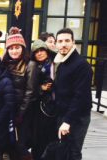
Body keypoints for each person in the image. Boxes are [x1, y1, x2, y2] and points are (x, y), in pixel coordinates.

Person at [54, 28, 92, 160]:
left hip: (77, 117)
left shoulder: (81, 65)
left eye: (67, 41)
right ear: (56, 44)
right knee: (64, 149)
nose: (63, 44)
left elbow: (80, 96)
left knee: (73, 151)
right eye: (60, 41)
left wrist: (67, 121)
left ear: (73, 42)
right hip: (64, 113)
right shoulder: (62, 61)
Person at [2, 27, 39, 160]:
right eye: (11, 48)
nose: (14, 51)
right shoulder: (5, 63)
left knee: (20, 144)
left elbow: (30, 92)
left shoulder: (30, 65)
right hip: (7, 109)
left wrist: (20, 114)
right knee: (8, 143)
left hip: (22, 112)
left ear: (23, 48)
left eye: (17, 47)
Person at [30, 40, 58, 160]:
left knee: (49, 138)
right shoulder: (33, 66)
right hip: (38, 107)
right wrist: (40, 88)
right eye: (36, 52)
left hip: (52, 107)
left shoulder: (54, 64)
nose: (39, 53)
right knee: (38, 138)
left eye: (42, 50)